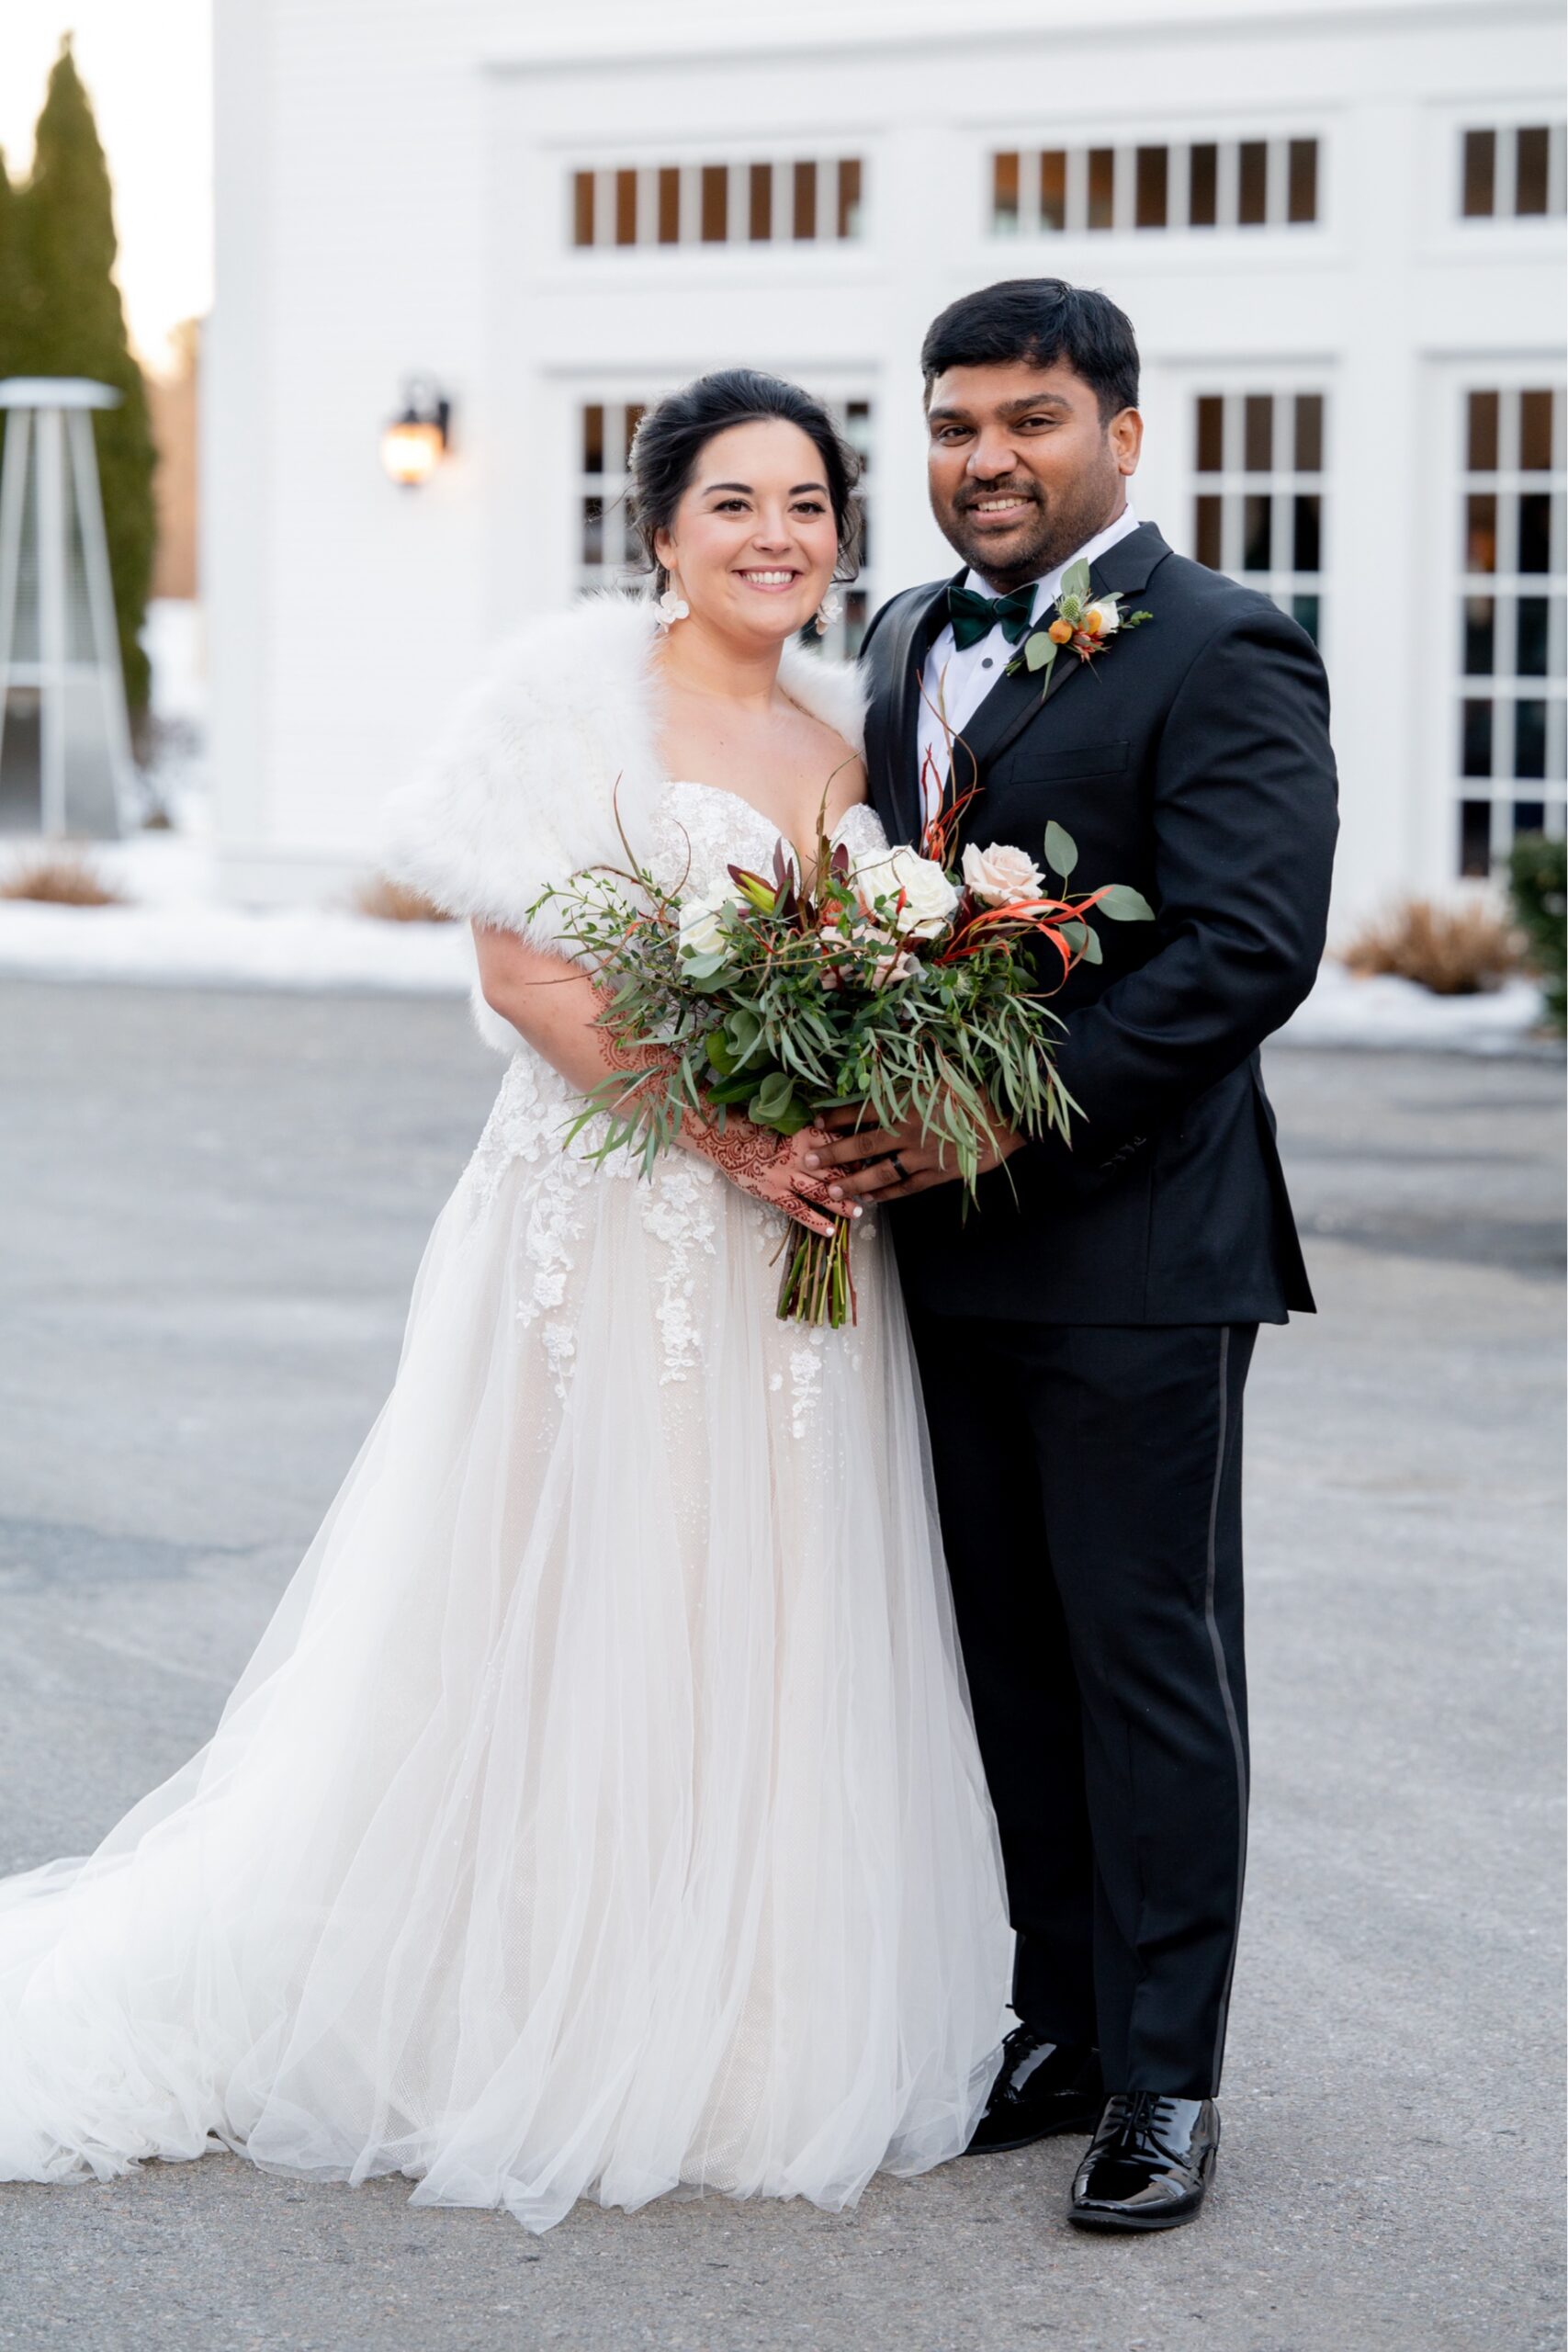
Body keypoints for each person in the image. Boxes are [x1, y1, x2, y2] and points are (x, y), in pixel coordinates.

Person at [0, 371, 1011, 2233]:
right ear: (655, 528)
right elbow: (530, 974)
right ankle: (508, 1988)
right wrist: (727, 1135)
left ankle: (733, 1997)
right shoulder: (565, 697)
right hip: (608, 1213)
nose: (774, 534)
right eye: (731, 502)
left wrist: (850, 1123)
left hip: (793, 1252)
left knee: (756, 1590)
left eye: (805, 502)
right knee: (564, 1578)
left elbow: (857, 974)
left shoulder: (832, 741)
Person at [808, 280, 1339, 2232]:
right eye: (953, 425)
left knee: (1145, 1660)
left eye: (1027, 419)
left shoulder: (1221, 643)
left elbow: (1238, 947)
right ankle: (1056, 2022)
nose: (984, 459)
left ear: (1120, 427)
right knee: (999, 1653)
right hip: (925, 1253)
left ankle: (1167, 2080)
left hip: (1133, 1240)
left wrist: (991, 1114)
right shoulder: (890, 640)